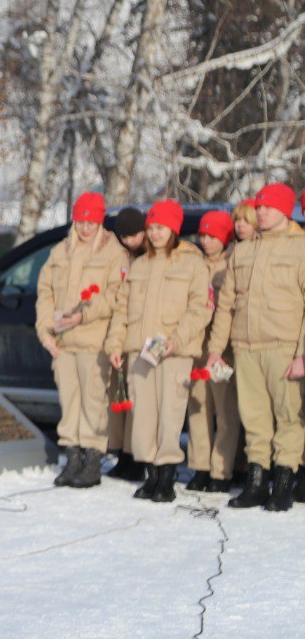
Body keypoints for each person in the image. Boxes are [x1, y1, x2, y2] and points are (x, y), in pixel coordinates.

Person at [206, 183, 305, 511]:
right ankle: (256, 483)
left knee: (288, 417)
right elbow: (226, 305)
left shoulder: (300, 247)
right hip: (246, 346)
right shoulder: (243, 250)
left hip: (284, 346)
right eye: (258, 207)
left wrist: (302, 355)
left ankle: (284, 484)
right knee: (254, 418)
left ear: (285, 210)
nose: (260, 212)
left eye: (268, 207)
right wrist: (216, 349)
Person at [106, 199, 212, 503]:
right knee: (143, 415)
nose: (154, 233)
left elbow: (200, 309)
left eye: (161, 228)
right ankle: (149, 473)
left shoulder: (192, 263)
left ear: (174, 230)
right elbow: (121, 309)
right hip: (139, 352)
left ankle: (166, 475)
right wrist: (115, 344)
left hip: (175, 353)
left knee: (171, 412)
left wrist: (175, 340)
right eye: (151, 227)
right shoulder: (139, 266)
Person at [35, 192, 129, 488]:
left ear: (100, 222)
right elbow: (45, 293)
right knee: (69, 402)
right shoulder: (61, 251)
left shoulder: (113, 252)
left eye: (91, 222)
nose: (85, 228)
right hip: (64, 343)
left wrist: (83, 316)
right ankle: (72, 456)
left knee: (92, 402)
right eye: (80, 221)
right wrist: (45, 329)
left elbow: (117, 295)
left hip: (94, 341)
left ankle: (92, 459)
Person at [185, 211, 239, 492]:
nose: (205, 240)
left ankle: (222, 470)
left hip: (223, 350)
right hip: (196, 347)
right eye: (203, 235)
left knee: (225, 411)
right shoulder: (193, 263)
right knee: (198, 408)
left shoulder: (233, 262)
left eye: (213, 236)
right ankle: (200, 467)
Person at [105, 207, 147, 481]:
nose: (128, 241)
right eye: (124, 236)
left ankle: (135, 456)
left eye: (133, 235)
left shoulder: (147, 258)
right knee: (118, 399)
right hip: (118, 335)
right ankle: (120, 452)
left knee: (136, 402)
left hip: (141, 337)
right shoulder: (120, 255)